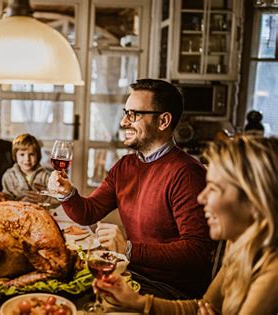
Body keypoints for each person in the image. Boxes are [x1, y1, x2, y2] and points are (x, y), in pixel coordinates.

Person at [49, 79, 215, 298]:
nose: (123, 122)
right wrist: (67, 193)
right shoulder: (125, 166)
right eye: (125, 112)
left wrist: (129, 249)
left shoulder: (187, 173)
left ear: (163, 121)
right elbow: (88, 212)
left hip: (169, 290)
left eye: (134, 114)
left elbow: (197, 251)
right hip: (131, 274)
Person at [94, 136, 278, 315]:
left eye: (213, 188)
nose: (201, 197)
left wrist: (129, 249)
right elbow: (204, 307)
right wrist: (137, 301)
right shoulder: (239, 244)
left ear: (254, 202)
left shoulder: (273, 272)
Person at [2, 133, 56, 204]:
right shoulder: (9, 176)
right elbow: (5, 198)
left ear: (38, 156)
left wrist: (45, 199)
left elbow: (57, 199)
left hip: (40, 212)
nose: (27, 159)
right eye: (22, 154)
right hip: (16, 212)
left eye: (31, 154)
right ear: (15, 156)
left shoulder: (46, 176)